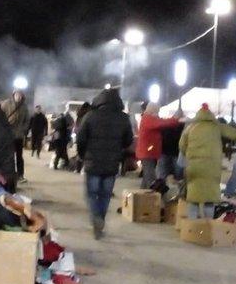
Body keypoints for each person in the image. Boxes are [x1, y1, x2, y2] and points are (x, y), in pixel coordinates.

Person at [76, 88, 133, 239]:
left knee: (91, 194)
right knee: (105, 195)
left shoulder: (90, 116)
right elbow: (128, 140)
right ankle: (100, 219)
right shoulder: (123, 118)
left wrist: (82, 156)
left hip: (92, 162)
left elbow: (80, 138)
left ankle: (96, 217)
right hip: (112, 164)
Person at [178, 104, 236, 219]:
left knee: (193, 198)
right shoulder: (217, 126)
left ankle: (192, 225)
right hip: (212, 168)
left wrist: (190, 155)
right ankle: (207, 225)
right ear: (211, 115)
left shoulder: (190, 128)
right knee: (209, 199)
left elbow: (182, 146)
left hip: (194, 167)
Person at [135, 103, 181, 189]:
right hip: (147, 153)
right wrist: (175, 120)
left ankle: (141, 197)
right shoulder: (148, 119)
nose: (158, 113)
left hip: (149, 152)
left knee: (147, 178)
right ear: (153, 110)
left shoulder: (147, 118)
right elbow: (161, 123)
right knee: (150, 179)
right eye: (157, 111)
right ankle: (150, 198)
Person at [1, 91, 30, 181]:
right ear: (13, 95)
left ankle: (20, 175)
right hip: (8, 135)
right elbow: (0, 115)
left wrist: (23, 129)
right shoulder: (6, 104)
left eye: (20, 95)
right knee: (9, 156)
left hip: (19, 136)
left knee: (19, 156)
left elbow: (27, 120)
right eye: (17, 94)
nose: (19, 96)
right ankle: (9, 175)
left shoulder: (24, 107)